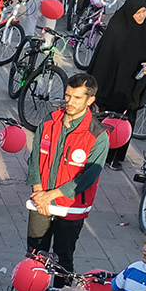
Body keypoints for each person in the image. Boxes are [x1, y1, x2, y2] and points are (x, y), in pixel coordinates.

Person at [26, 75, 105, 272]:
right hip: (40, 199)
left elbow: (87, 177)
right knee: (34, 256)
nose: (69, 102)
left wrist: (50, 196)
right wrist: (38, 192)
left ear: (90, 100)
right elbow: (35, 157)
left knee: (63, 260)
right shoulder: (49, 120)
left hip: (71, 208)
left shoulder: (97, 135)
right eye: (68, 95)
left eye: (77, 98)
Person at [90, 0, 146, 169]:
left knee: (126, 120)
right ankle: (97, 151)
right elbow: (104, 55)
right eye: (137, 13)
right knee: (104, 118)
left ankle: (115, 156)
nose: (142, 16)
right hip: (111, 82)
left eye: (144, 11)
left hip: (133, 85)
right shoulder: (118, 25)